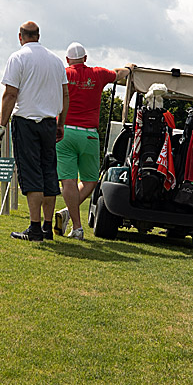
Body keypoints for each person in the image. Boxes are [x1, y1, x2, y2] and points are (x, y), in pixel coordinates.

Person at [0, 21, 69, 242]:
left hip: (26, 121)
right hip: (49, 123)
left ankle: (35, 228)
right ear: (38, 36)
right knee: (49, 172)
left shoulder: (18, 58)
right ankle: (47, 227)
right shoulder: (56, 61)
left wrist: (2, 125)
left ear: (21, 37)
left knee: (31, 174)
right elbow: (65, 95)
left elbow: (10, 94)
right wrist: (60, 123)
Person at [53, 43, 130, 239]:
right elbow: (119, 73)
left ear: (67, 59)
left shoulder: (62, 74)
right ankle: (70, 215)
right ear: (85, 58)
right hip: (89, 134)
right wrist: (130, 67)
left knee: (68, 180)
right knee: (90, 180)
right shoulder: (98, 73)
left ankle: (76, 225)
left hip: (64, 132)